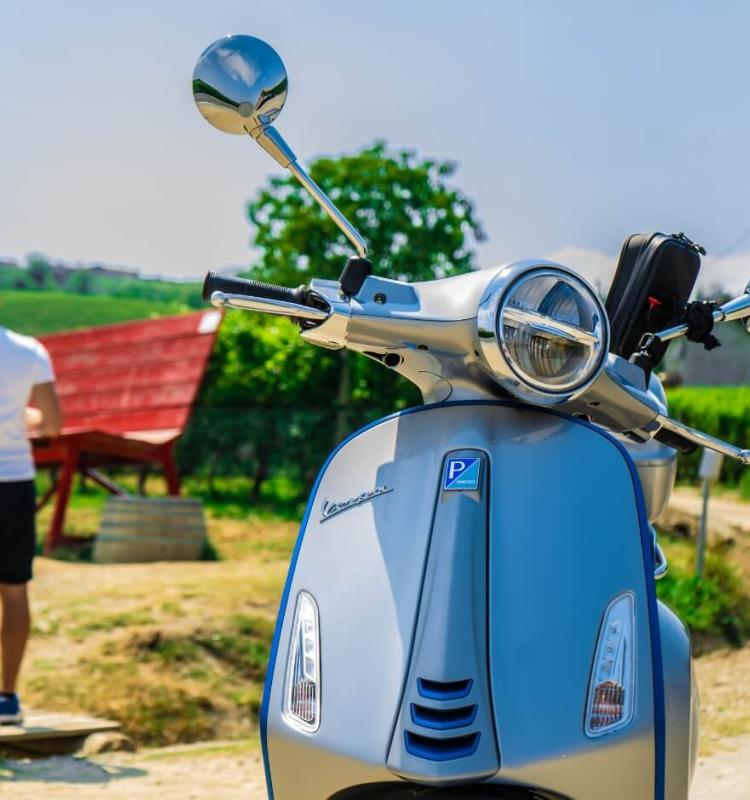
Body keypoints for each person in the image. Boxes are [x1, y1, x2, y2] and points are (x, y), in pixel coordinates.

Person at [0, 325, 62, 724]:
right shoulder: (29, 351)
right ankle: (6, 699)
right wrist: (22, 413)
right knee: (14, 592)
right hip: (14, 484)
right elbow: (53, 424)